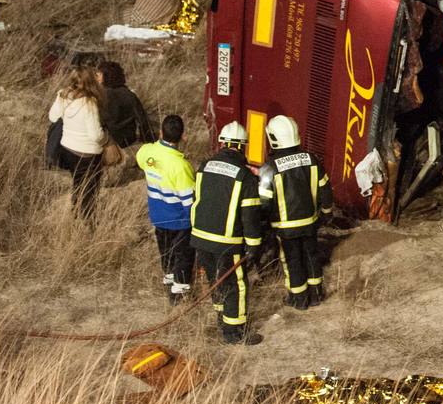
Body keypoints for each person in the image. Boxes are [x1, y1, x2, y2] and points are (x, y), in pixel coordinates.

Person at [191, 121, 265, 345]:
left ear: (222, 143)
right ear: (243, 147)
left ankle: (222, 320)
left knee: (215, 280)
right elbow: (250, 215)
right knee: (235, 284)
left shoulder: (204, 166)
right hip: (227, 241)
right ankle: (235, 333)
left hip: (201, 236)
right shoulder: (245, 177)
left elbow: (198, 199)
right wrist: (253, 245)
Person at [258, 115, 333, 310]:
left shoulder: (269, 168)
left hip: (285, 227)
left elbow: (264, 202)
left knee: (292, 262)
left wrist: (262, 226)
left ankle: (298, 300)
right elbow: (325, 188)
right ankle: (316, 295)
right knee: (311, 256)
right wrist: (325, 212)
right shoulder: (311, 159)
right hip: (310, 222)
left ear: (273, 138)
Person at [136, 115, 195, 304]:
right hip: (179, 220)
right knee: (183, 255)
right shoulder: (181, 165)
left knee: (166, 251)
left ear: (160, 132)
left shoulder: (146, 152)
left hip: (158, 215)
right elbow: (188, 201)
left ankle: (169, 279)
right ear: (183, 136)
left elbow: (143, 161)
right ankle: (179, 292)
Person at [48, 63, 107, 222]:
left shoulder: (62, 95)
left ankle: (76, 212)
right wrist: (106, 139)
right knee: (90, 190)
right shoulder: (90, 103)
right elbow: (95, 135)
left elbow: (53, 117)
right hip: (88, 154)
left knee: (78, 182)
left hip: (67, 148)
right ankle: (88, 220)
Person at [97, 60, 153, 148]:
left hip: (109, 141)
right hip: (128, 139)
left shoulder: (102, 95)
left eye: (99, 75)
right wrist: (148, 141)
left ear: (106, 76)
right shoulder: (129, 94)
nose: (97, 78)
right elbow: (142, 119)